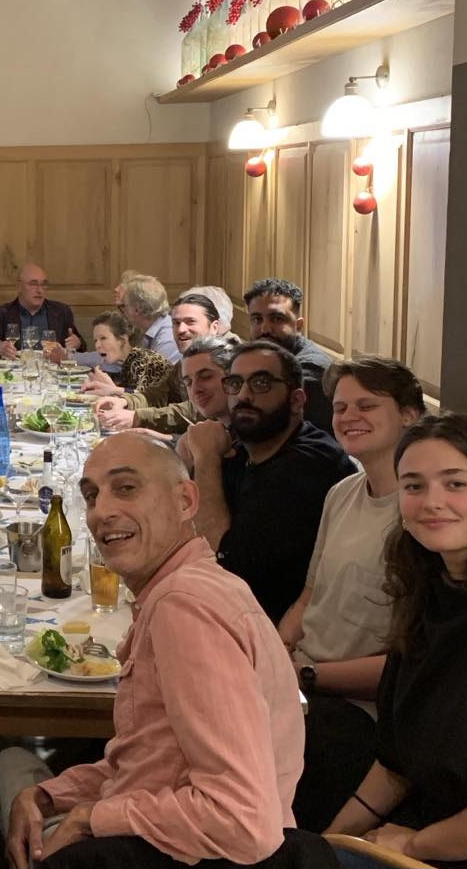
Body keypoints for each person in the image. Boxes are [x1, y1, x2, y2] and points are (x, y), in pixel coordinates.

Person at [0, 433, 320, 869]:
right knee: (16, 774)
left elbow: (244, 820)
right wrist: (48, 796)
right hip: (172, 833)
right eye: (91, 496)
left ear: (186, 501)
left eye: (126, 487)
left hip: (181, 857)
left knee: (1, 766)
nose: (101, 512)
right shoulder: (198, 585)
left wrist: (90, 818)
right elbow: (148, 761)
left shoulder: (182, 608)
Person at [327, 413, 467, 867]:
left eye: (455, 483)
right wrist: (330, 841)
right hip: (421, 831)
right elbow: (396, 764)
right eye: (414, 486)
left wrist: (414, 846)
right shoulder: (430, 597)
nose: (432, 502)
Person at [280, 358, 424, 832]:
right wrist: (273, 653)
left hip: (356, 711)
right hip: (302, 685)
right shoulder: (342, 492)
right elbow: (310, 596)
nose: (348, 417)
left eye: (367, 405)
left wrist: (305, 675)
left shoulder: (423, 518)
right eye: (341, 407)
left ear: (409, 415)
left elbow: (407, 668)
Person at [181, 341, 356, 622]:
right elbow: (185, 529)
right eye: (235, 384)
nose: (243, 395)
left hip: (280, 631)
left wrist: (205, 459)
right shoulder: (245, 446)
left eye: (260, 383)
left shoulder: (309, 462)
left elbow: (224, 563)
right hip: (236, 613)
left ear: (296, 401)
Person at [94, 294, 227, 434]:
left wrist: (138, 417)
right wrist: (124, 401)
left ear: (214, 327)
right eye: (176, 323)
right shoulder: (186, 361)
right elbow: (157, 394)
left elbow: (198, 409)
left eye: (190, 322)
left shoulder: (227, 360)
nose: (181, 329)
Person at [244, 278, 334, 434]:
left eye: (276, 319)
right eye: (257, 319)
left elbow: (267, 429)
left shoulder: (311, 369)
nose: (264, 329)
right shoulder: (267, 357)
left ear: (298, 325)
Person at [0, 263, 83, 360]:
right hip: (16, 367)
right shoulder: (3, 313)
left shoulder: (61, 311)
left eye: (43, 284)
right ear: (19, 286)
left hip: (51, 368)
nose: (39, 290)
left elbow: (81, 346)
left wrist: (77, 343)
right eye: (33, 284)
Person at [76, 312, 174, 406]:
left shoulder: (145, 360)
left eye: (103, 338)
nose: (97, 345)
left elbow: (143, 400)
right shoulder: (126, 362)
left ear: (123, 340)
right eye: (95, 340)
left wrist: (112, 389)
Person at [117, 274, 180, 363]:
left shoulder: (167, 339)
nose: (123, 311)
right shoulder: (149, 330)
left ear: (137, 309)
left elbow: (155, 372)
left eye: (124, 305)